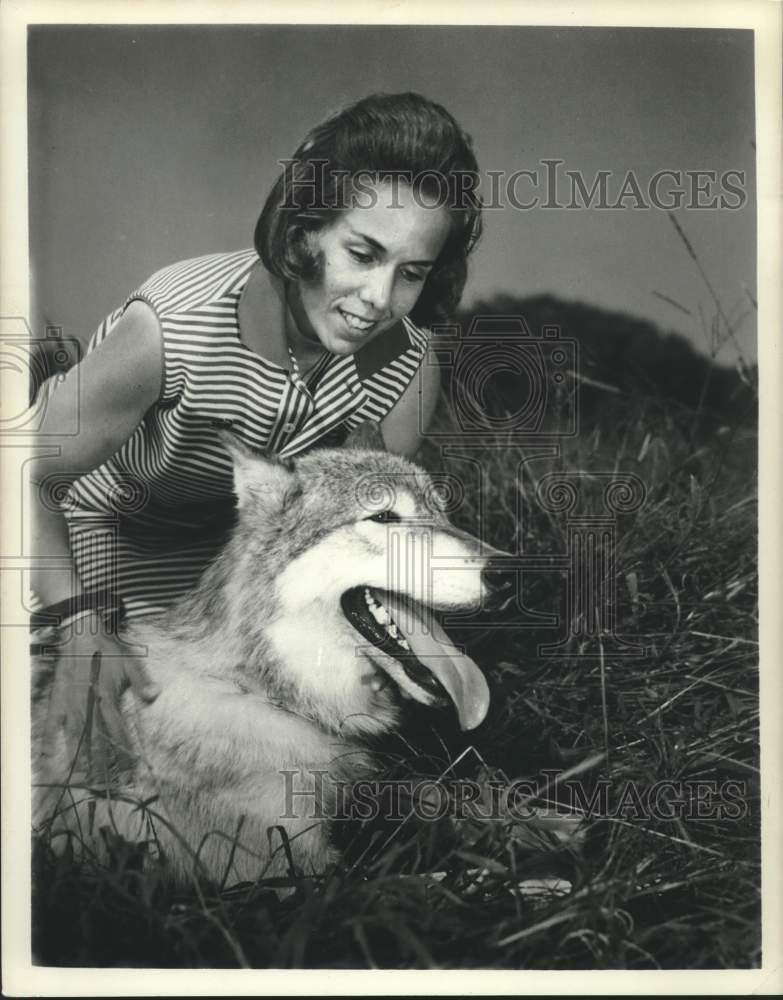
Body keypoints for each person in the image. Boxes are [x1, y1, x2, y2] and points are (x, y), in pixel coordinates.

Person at [30, 91, 483, 781]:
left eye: (410, 273)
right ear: (303, 230)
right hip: (98, 533)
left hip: (236, 555)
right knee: (108, 726)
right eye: (361, 253)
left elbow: (355, 542)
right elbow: (22, 477)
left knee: (318, 734)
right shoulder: (171, 328)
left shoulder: (407, 367)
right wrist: (80, 624)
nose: (377, 300)